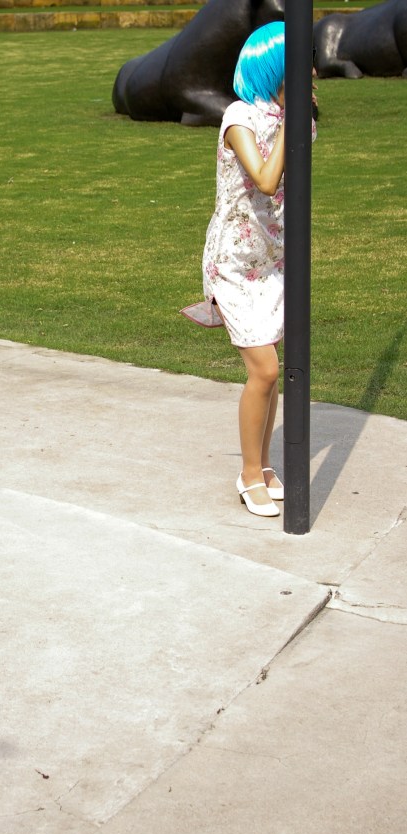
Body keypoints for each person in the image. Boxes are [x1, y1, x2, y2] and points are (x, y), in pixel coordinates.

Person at [184, 22, 315, 517]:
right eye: (302, 63)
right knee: (265, 368)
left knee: (271, 376)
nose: (313, 72)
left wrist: (297, 115)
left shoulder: (292, 115)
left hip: (273, 258)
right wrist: (292, 121)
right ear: (276, 67)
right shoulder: (239, 117)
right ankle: (246, 474)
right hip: (235, 263)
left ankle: (261, 466)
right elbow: (264, 180)